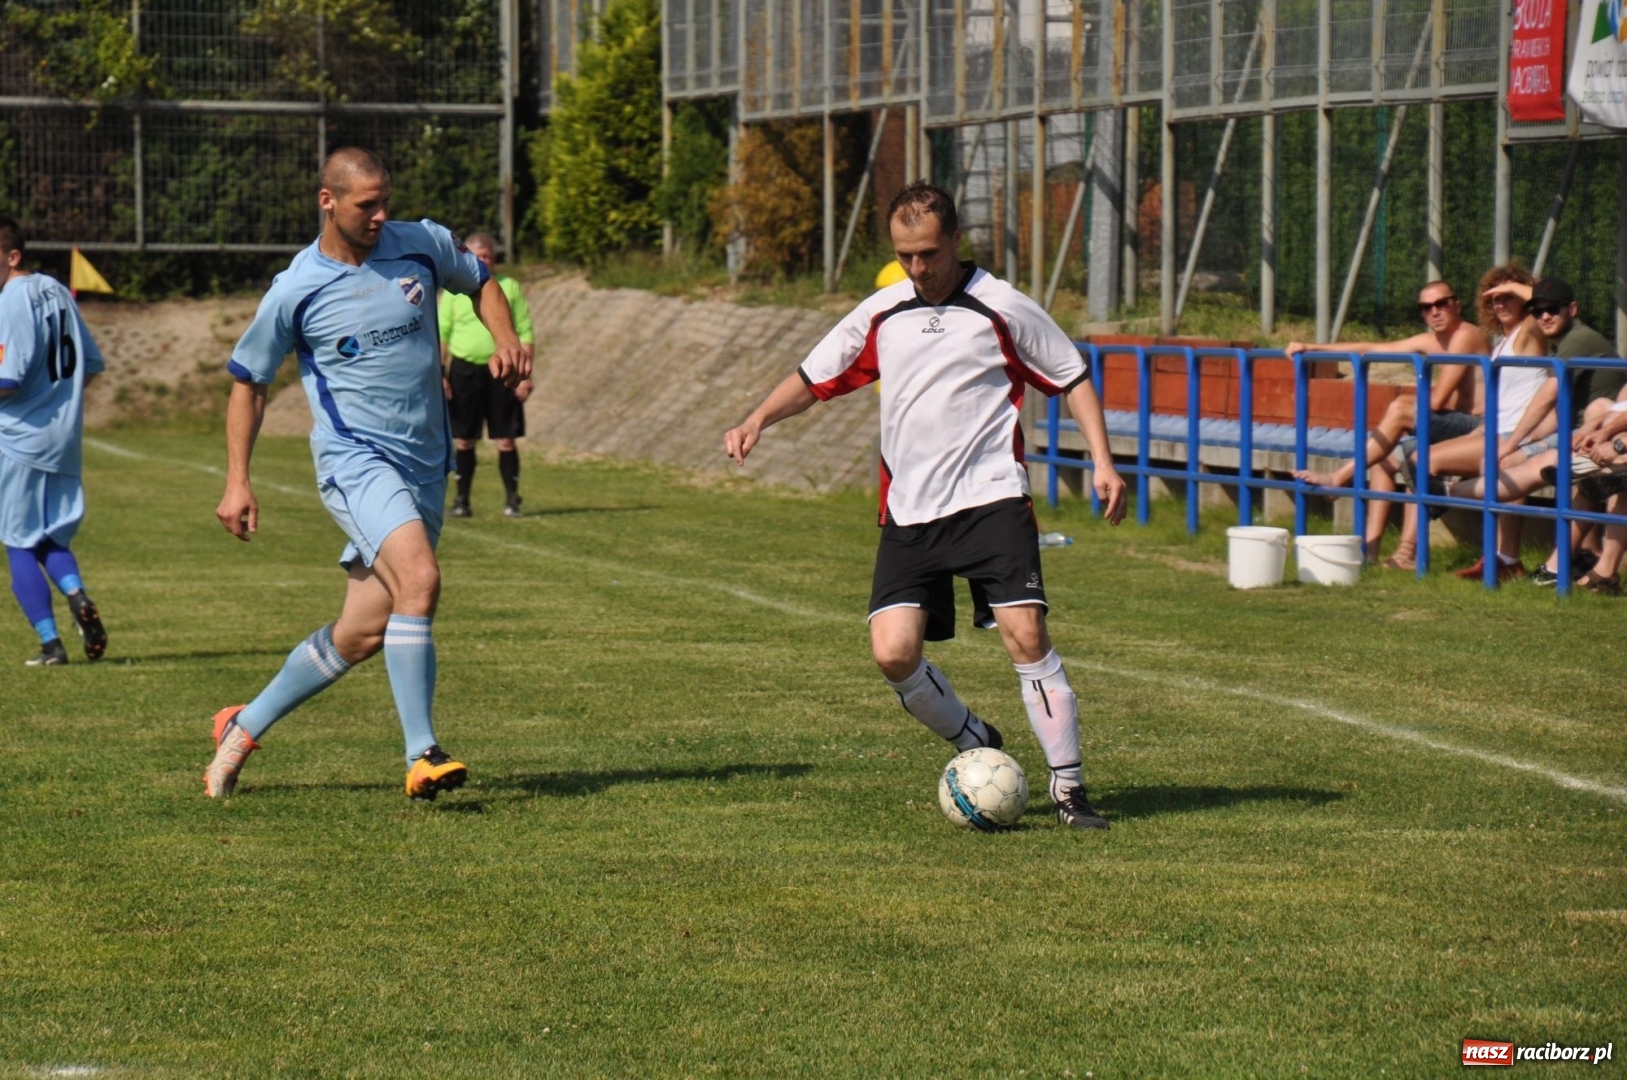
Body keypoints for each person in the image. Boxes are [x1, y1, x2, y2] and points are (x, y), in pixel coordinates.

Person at [723, 181, 1129, 831]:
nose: (918, 268)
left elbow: (1071, 375)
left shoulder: (1003, 307)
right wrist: (757, 419)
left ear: (954, 242)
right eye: (905, 255)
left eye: (929, 254)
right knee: (892, 653)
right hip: (909, 511)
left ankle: (1070, 790)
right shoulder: (882, 312)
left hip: (990, 498)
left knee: (1025, 634)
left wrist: (1104, 463)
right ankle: (975, 741)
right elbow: (814, 377)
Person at [206, 148, 528, 800]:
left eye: (386, 201)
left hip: (424, 466)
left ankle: (240, 729)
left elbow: (481, 281)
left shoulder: (420, 246)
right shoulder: (297, 289)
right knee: (421, 579)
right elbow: (248, 384)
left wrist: (504, 339)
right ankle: (422, 754)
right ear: (328, 201)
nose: (382, 215)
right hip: (355, 463)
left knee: (361, 634)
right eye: (366, 205)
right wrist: (237, 480)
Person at [1287, 281, 1488, 566]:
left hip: (1478, 428)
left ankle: (1341, 479)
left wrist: (1407, 409)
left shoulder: (1467, 335)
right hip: (1452, 424)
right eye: (1426, 307)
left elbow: (1439, 399)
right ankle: (1371, 550)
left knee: (1401, 409)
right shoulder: (1432, 340)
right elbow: (1373, 348)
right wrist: (1312, 346)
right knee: (1386, 459)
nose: (1434, 312)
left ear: (1456, 304)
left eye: (1441, 303)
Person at [1442, 278, 1624, 585]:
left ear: (1573, 309)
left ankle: (1446, 496)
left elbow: (1548, 396)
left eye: (1552, 309)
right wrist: (1526, 440)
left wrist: (1512, 443)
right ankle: (1521, 557)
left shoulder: (1579, 341)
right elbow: (1557, 412)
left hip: (1599, 436)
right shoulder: (1565, 343)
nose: (1544, 317)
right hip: (1587, 434)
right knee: (1527, 463)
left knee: (1526, 464)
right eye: (1538, 312)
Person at [0, 215, 110, 667]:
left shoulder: (11, 300)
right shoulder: (57, 291)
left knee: (16, 541)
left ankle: (51, 645)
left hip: (18, 438)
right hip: (62, 438)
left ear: (12, 256)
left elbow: (8, 378)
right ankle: (75, 593)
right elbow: (93, 364)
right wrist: (55, 405)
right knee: (45, 535)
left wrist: (33, 405)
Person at [1406, 265, 1546, 581]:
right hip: (1494, 429)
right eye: (1493, 298)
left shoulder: (1530, 331)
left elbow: (1545, 298)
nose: (1500, 304)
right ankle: (1502, 558)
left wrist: (1518, 287)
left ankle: (1501, 557)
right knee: (1417, 459)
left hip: (1516, 434)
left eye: (1507, 297)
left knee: (1433, 463)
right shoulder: (1502, 343)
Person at [440, 232, 535, 519]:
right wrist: (440, 374)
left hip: (502, 370)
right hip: (463, 371)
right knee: (464, 439)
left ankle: (512, 500)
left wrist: (526, 374)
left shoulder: (509, 287)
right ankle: (462, 501)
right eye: (478, 256)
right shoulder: (452, 292)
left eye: (488, 257)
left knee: (506, 438)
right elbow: (442, 333)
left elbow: (525, 331)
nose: (483, 261)